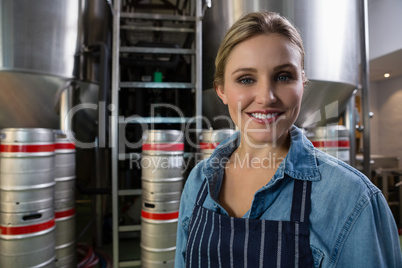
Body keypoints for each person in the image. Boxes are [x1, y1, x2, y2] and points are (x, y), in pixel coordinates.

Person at [175, 11, 402, 268]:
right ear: (222, 91)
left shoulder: (351, 198)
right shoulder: (198, 182)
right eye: (246, 79)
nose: (266, 96)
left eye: (283, 76)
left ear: (302, 84)